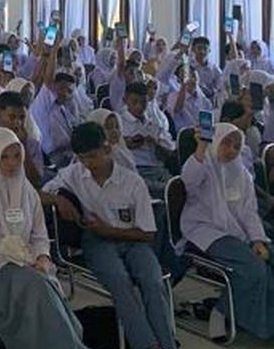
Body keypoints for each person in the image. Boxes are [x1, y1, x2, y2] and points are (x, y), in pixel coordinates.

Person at [0, 127, 87, 348]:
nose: (12, 163)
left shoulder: (26, 189)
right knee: (36, 286)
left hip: (24, 261)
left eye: (17, 156)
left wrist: (43, 257)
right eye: (5, 157)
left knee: (44, 286)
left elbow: (39, 233)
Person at [41, 123, 176, 349]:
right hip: (97, 242)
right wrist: (58, 199)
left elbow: (148, 233)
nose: (88, 164)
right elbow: (37, 193)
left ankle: (167, 343)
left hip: (134, 241)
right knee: (120, 283)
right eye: (82, 158)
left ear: (107, 149)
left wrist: (108, 230)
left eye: (93, 156)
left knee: (152, 282)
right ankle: (147, 345)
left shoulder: (132, 182)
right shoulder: (75, 174)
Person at [181, 123, 274, 345]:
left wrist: (257, 239)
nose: (231, 150)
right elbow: (188, 182)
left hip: (239, 233)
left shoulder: (241, 172)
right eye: (226, 143)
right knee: (254, 270)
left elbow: (249, 212)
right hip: (206, 230)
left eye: (236, 146)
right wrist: (202, 146)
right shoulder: (204, 163)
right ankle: (221, 312)